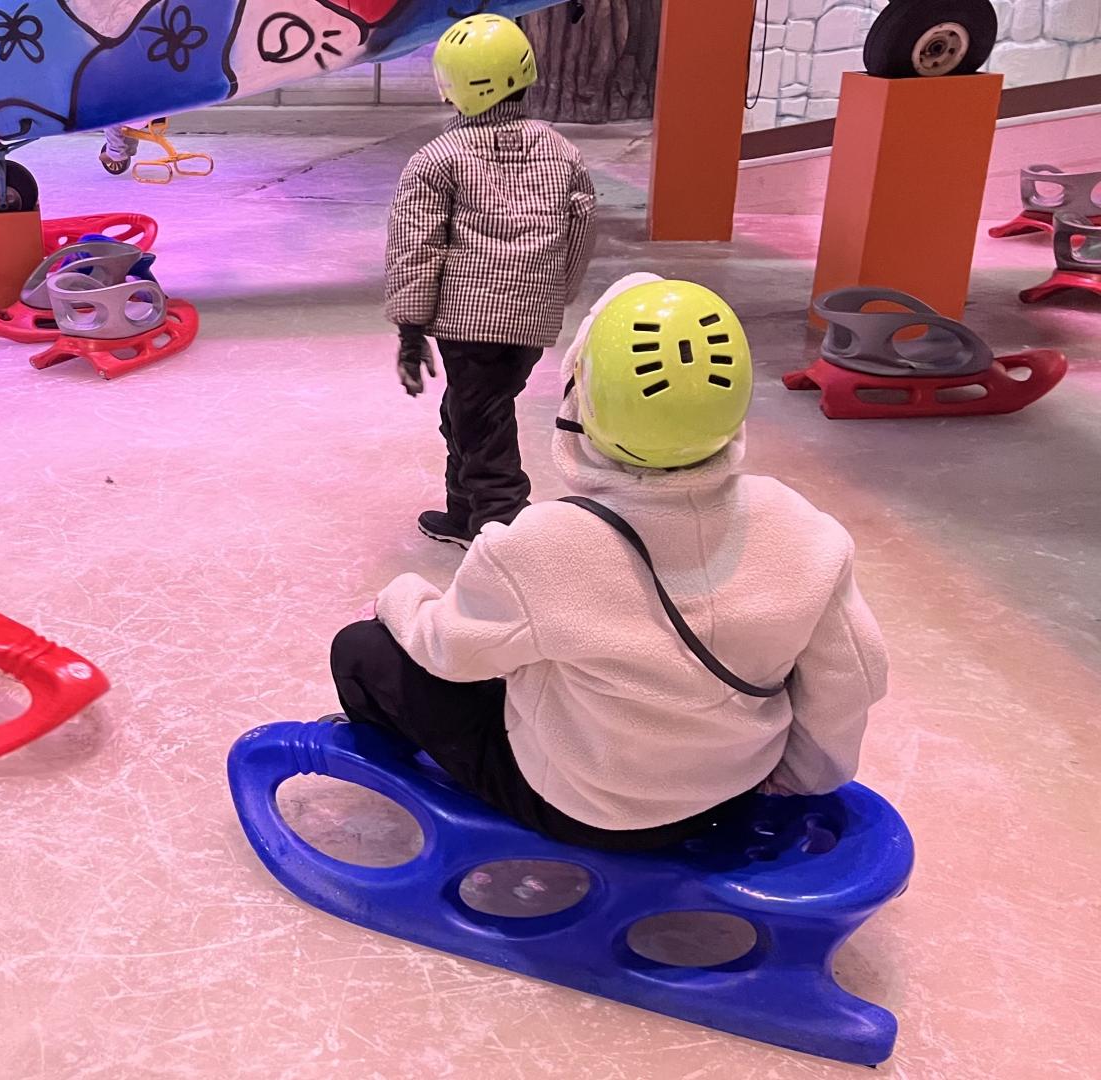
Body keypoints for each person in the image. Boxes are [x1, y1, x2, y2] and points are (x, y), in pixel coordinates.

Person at [331, 274, 890, 853]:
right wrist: (799, 780)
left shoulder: (543, 544)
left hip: (584, 807)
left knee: (362, 650)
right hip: (733, 791)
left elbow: (450, 651)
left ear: (583, 404)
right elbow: (849, 678)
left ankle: (411, 780)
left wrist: (399, 597)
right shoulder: (804, 527)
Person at [385, 14, 597, 549]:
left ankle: (502, 532)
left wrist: (411, 330)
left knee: (483, 425)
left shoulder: (437, 159)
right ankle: (464, 514)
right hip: (529, 323)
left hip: (469, 322)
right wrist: (552, 296)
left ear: (450, 85)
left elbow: (416, 247)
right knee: (469, 410)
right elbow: (580, 230)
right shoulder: (563, 151)